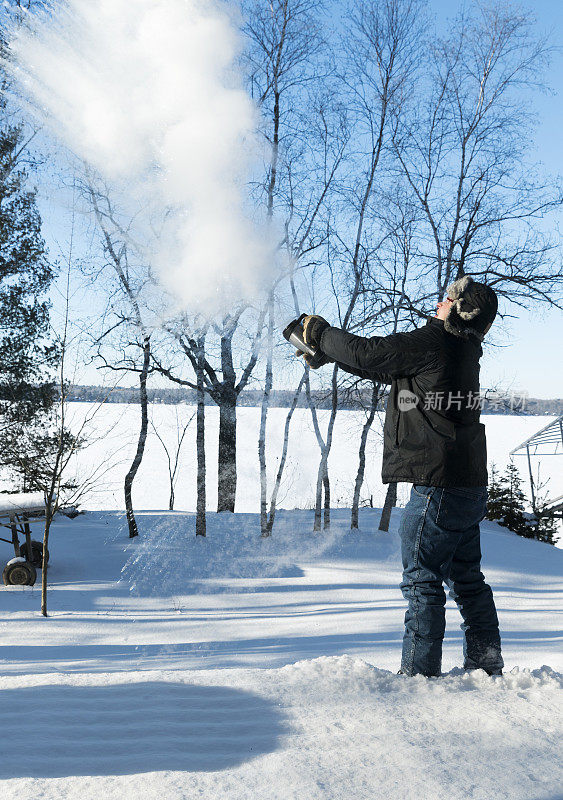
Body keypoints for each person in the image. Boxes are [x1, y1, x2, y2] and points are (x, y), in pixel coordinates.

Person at [301, 275, 504, 677]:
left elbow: (367, 350)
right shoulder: (463, 350)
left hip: (437, 487)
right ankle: (485, 666)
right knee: (467, 579)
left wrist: (321, 333)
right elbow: (387, 369)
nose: (440, 304)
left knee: (421, 581)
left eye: (447, 300)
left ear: (461, 311)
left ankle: (418, 678)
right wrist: (328, 354)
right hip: (468, 485)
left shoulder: (435, 341)